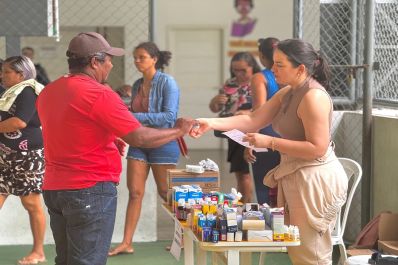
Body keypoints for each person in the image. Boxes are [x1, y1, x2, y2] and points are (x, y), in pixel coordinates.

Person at [36, 32, 194, 265]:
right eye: (108, 59)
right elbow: (139, 137)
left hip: (55, 189)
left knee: (67, 260)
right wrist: (179, 130)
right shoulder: (98, 93)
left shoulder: (49, 91)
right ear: (94, 62)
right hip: (89, 189)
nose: (111, 64)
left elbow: (72, 129)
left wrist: (109, 136)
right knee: (87, 261)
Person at [191, 39, 348, 265]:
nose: (272, 69)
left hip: (314, 180)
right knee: (297, 249)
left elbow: (317, 148)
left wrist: (270, 142)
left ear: (301, 69)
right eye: (273, 63)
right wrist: (210, 123)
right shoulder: (288, 92)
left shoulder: (313, 97)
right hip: (296, 175)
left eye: (280, 64)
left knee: (310, 254)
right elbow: (253, 119)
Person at [108, 42, 181, 256]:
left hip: (163, 142)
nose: (137, 61)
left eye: (141, 57)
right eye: (135, 57)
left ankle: (182, 238)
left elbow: (169, 118)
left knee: (165, 192)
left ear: (154, 59)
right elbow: (130, 110)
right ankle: (126, 243)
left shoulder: (168, 82)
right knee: (135, 192)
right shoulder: (138, 83)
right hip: (139, 142)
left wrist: (133, 117)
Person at [0, 56, 46, 265]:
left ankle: (38, 251)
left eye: (7, 72)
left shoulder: (27, 91)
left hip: (27, 157)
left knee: (31, 203)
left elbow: (19, 122)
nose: (2, 75)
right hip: (5, 154)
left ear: (21, 74)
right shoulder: (9, 93)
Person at [209, 52, 261, 203]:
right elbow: (215, 108)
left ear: (253, 68)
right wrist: (215, 101)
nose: (239, 74)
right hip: (233, 132)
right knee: (241, 173)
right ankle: (243, 209)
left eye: (243, 70)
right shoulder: (230, 83)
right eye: (235, 70)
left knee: (252, 173)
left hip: (253, 130)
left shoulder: (259, 82)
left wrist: (248, 113)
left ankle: (249, 209)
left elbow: (268, 108)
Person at [243, 37, 281, 206]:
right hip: (290, 135)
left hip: (267, 134)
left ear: (261, 56)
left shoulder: (260, 78)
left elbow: (259, 113)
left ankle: (270, 225)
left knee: (264, 184)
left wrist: (250, 143)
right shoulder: (292, 74)